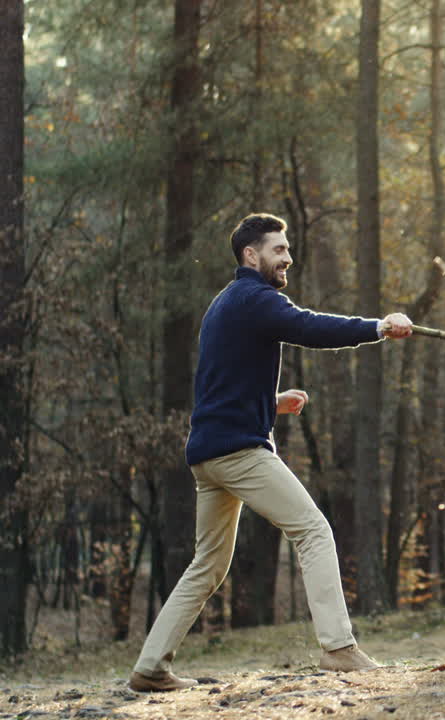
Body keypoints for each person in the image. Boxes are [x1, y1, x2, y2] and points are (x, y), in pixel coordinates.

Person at [128, 213, 413, 692]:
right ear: (250, 255)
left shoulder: (224, 304)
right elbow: (309, 326)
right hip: (239, 453)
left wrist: (270, 402)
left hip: (209, 454)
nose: (288, 257)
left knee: (208, 565)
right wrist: (378, 326)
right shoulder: (256, 298)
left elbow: (218, 381)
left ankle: (150, 667)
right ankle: (339, 648)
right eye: (278, 250)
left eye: (287, 249)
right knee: (313, 529)